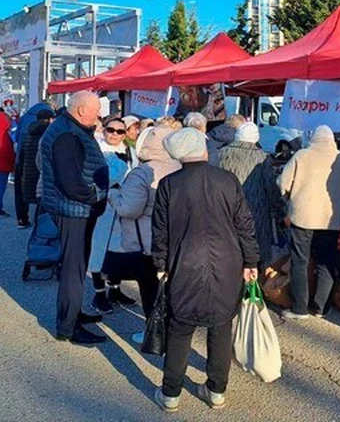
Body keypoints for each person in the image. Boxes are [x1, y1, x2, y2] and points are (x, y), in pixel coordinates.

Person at [152, 128, 260, 412]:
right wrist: (251, 261)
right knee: (220, 326)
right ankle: (216, 390)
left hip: (184, 264)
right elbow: (245, 225)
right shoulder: (227, 180)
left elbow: (160, 231)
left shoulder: (168, 185)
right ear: (202, 148)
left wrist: (160, 265)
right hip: (227, 264)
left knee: (180, 329)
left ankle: (170, 394)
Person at [39, 91, 109, 345]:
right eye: (96, 110)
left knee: (77, 268)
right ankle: (68, 327)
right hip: (73, 210)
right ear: (81, 110)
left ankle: (74, 313)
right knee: (72, 269)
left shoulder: (70, 128)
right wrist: (94, 195)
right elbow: (71, 181)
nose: (99, 115)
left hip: (76, 209)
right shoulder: (66, 134)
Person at [278, 124, 340, 319]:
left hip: (301, 218)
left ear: (313, 138)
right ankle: (321, 308)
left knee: (300, 263)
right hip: (330, 221)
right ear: (332, 140)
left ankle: (300, 309)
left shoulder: (301, 156)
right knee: (325, 263)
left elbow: (282, 183)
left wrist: (289, 199)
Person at [106, 126, 180, 343]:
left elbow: (130, 209)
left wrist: (113, 195)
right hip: (174, 238)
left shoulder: (143, 172)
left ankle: (155, 332)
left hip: (147, 241)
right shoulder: (177, 166)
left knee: (150, 290)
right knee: (169, 290)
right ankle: (172, 331)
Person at [218, 122, 282, 267]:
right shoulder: (261, 157)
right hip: (255, 210)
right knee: (255, 249)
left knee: (230, 248)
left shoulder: (222, 153)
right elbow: (270, 186)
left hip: (227, 207)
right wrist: (277, 210)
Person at [89, 116, 136, 314]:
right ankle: (99, 294)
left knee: (119, 250)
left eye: (120, 131)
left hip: (122, 207)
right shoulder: (97, 150)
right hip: (102, 207)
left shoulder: (130, 151)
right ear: (104, 130)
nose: (114, 134)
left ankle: (114, 290)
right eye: (111, 130)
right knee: (98, 250)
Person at [13, 101, 55, 228]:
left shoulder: (28, 133)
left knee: (21, 194)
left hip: (27, 171)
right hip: (42, 172)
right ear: (50, 119)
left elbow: (21, 154)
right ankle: (41, 226)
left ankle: (22, 219)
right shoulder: (50, 135)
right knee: (42, 200)